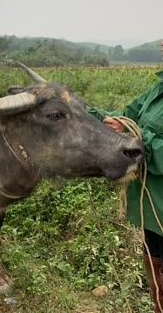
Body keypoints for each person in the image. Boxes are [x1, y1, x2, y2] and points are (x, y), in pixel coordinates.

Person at [88, 68, 163, 312]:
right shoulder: (157, 91)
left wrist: (139, 139)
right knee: (156, 270)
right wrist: (81, 111)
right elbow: (125, 117)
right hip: (154, 211)